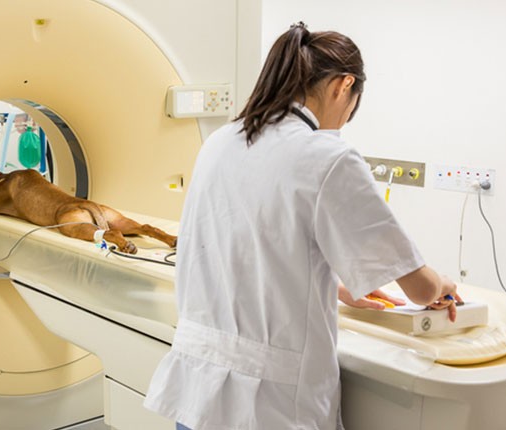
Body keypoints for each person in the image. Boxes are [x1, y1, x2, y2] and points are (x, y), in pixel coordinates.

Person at [143, 22, 460, 430]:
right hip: (270, 406)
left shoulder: (220, 142)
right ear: (343, 86)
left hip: (198, 396)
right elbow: (417, 287)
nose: (344, 121)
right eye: (351, 107)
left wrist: (336, 287)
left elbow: (254, 245)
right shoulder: (328, 156)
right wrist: (442, 286)